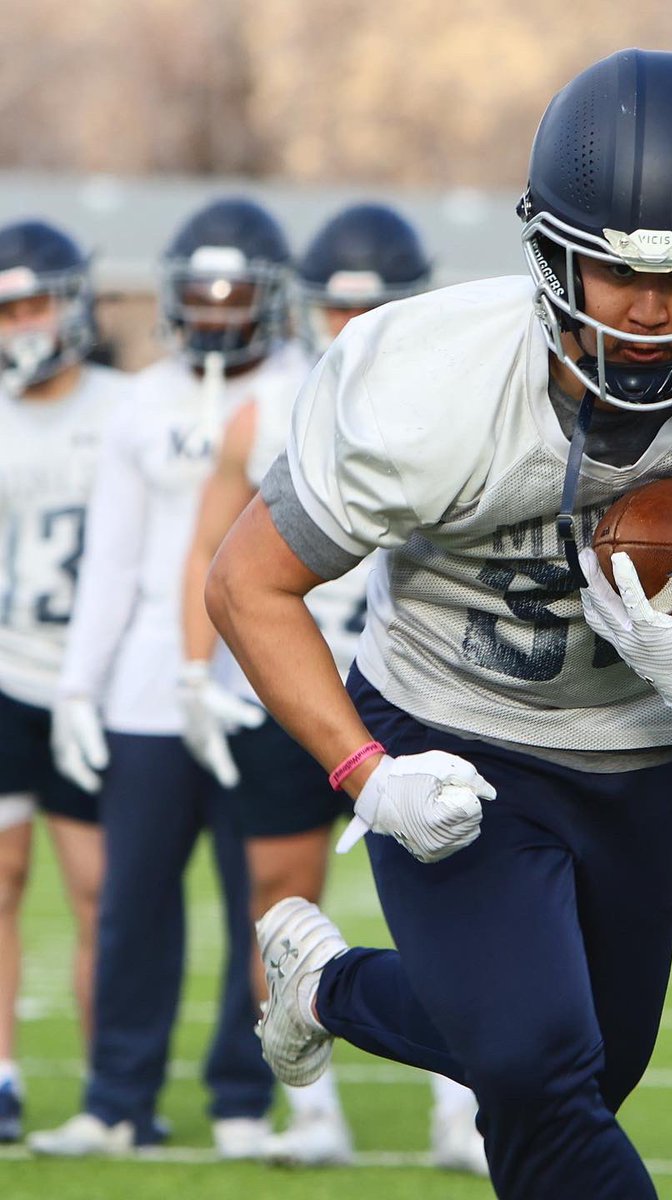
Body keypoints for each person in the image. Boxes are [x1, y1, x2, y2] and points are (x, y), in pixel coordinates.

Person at [204, 49, 672, 1200]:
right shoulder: (438, 379)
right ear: (551, 250)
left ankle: (323, 986)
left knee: (585, 1080)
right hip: (450, 728)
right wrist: (369, 775)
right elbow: (246, 583)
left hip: (633, 751)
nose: (650, 306)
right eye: (611, 269)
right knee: (534, 1068)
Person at [179, 200, 484, 1172]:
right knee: (280, 890)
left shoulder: (453, 400)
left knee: (450, 902)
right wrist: (195, 671)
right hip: (292, 679)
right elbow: (212, 550)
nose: (348, 331)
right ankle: (309, 1111)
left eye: (370, 309)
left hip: (418, 679)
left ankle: (461, 1110)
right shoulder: (263, 407)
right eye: (335, 310)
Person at [27, 197, 305, 1159]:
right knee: (133, 899)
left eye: (238, 292)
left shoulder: (313, 390)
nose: (221, 310)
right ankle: (116, 1098)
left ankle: (242, 1098)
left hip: (268, 681)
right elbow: (111, 560)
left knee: (264, 904)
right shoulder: (142, 399)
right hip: (148, 689)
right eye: (203, 292)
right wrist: (78, 685)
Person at [0, 221, 127, 1142]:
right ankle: (1, 1076)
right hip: (5, 672)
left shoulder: (128, 407)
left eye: (32, 302)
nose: (19, 325)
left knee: (98, 887)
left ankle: (105, 1086)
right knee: (2, 876)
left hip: (97, 684)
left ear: (72, 302)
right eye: (5, 309)